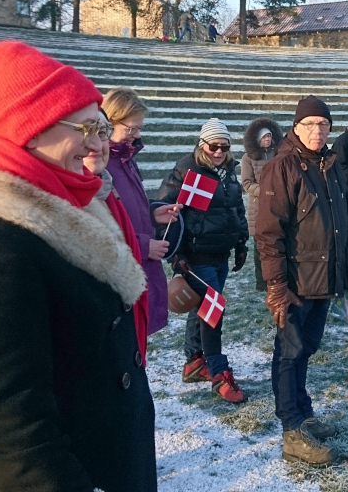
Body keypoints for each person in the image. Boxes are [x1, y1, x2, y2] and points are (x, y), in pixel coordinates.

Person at [0, 41, 156, 491]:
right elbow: (11, 428)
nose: (98, 144)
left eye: (103, 128)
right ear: (33, 127)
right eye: (88, 128)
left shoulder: (63, 205)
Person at [255, 95, 348, 466]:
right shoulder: (282, 166)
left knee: (307, 348)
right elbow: (269, 233)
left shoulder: (331, 166)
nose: (317, 131)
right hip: (296, 281)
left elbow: (343, 227)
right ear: (296, 128)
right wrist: (277, 286)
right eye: (309, 124)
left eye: (323, 124)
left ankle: (303, 412)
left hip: (325, 277)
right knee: (290, 351)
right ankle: (291, 429)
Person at [158, 118, 249, 403]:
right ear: (202, 145)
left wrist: (242, 242)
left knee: (203, 308)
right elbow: (167, 212)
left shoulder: (229, 173)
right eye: (214, 146)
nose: (219, 151)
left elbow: (237, 209)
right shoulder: (188, 170)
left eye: (224, 146)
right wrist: (178, 255)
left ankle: (194, 361)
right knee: (213, 311)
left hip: (220, 253)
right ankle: (219, 372)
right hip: (197, 255)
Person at [104, 86, 178, 337]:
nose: (135, 136)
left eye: (139, 129)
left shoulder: (126, 159)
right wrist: (142, 245)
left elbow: (128, 205)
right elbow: (100, 224)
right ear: (110, 121)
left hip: (138, 265)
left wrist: (152, 214)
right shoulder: (99, 163)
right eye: (130, 129)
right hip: (121, 269)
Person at [242, 116, 284, 290]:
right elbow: (246, 183)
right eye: (264, 137)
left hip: (279, 204)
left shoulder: (278, 154)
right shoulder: (248, 158)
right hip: (259, 206)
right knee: (260, 245)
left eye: (269, 136)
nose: (267, 139)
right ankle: (261, 281)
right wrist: (265, 192)